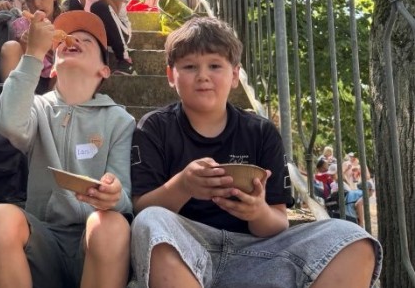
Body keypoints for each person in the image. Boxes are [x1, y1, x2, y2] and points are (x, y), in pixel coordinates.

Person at [129, 17, 381, 288]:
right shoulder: (154, 128)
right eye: (190, 66)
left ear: (235, 75)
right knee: (149, 221)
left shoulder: (261, 132)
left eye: (215, 65)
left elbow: (277, 221)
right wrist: (183, 185)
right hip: (185, 248)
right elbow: (141, 207)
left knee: (353, 238)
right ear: (171, 75)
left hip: (258, 253)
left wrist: (257, 211)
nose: (203, 76)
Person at [0, 10, 135, 288]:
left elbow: (124, 199)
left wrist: (113, 195)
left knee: (112, 225)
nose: (74, 41)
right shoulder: (37, 108)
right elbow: (6, 122)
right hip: (43, 240)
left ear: (104, 70)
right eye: (66, 39)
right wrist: (33, 54)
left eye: (87, 40)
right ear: (52, 69)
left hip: (94, 246)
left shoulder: (119, 120)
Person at [0, 0, 62, 94]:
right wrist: (26, 45)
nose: (37, 3)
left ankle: (52, 104)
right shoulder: (22, 24)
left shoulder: (66, 21)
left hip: (56, 80)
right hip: (29, 79)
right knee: (10, 47)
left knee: (64, 61)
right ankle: (9, 98)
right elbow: (21, 60)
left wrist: (51, 47)